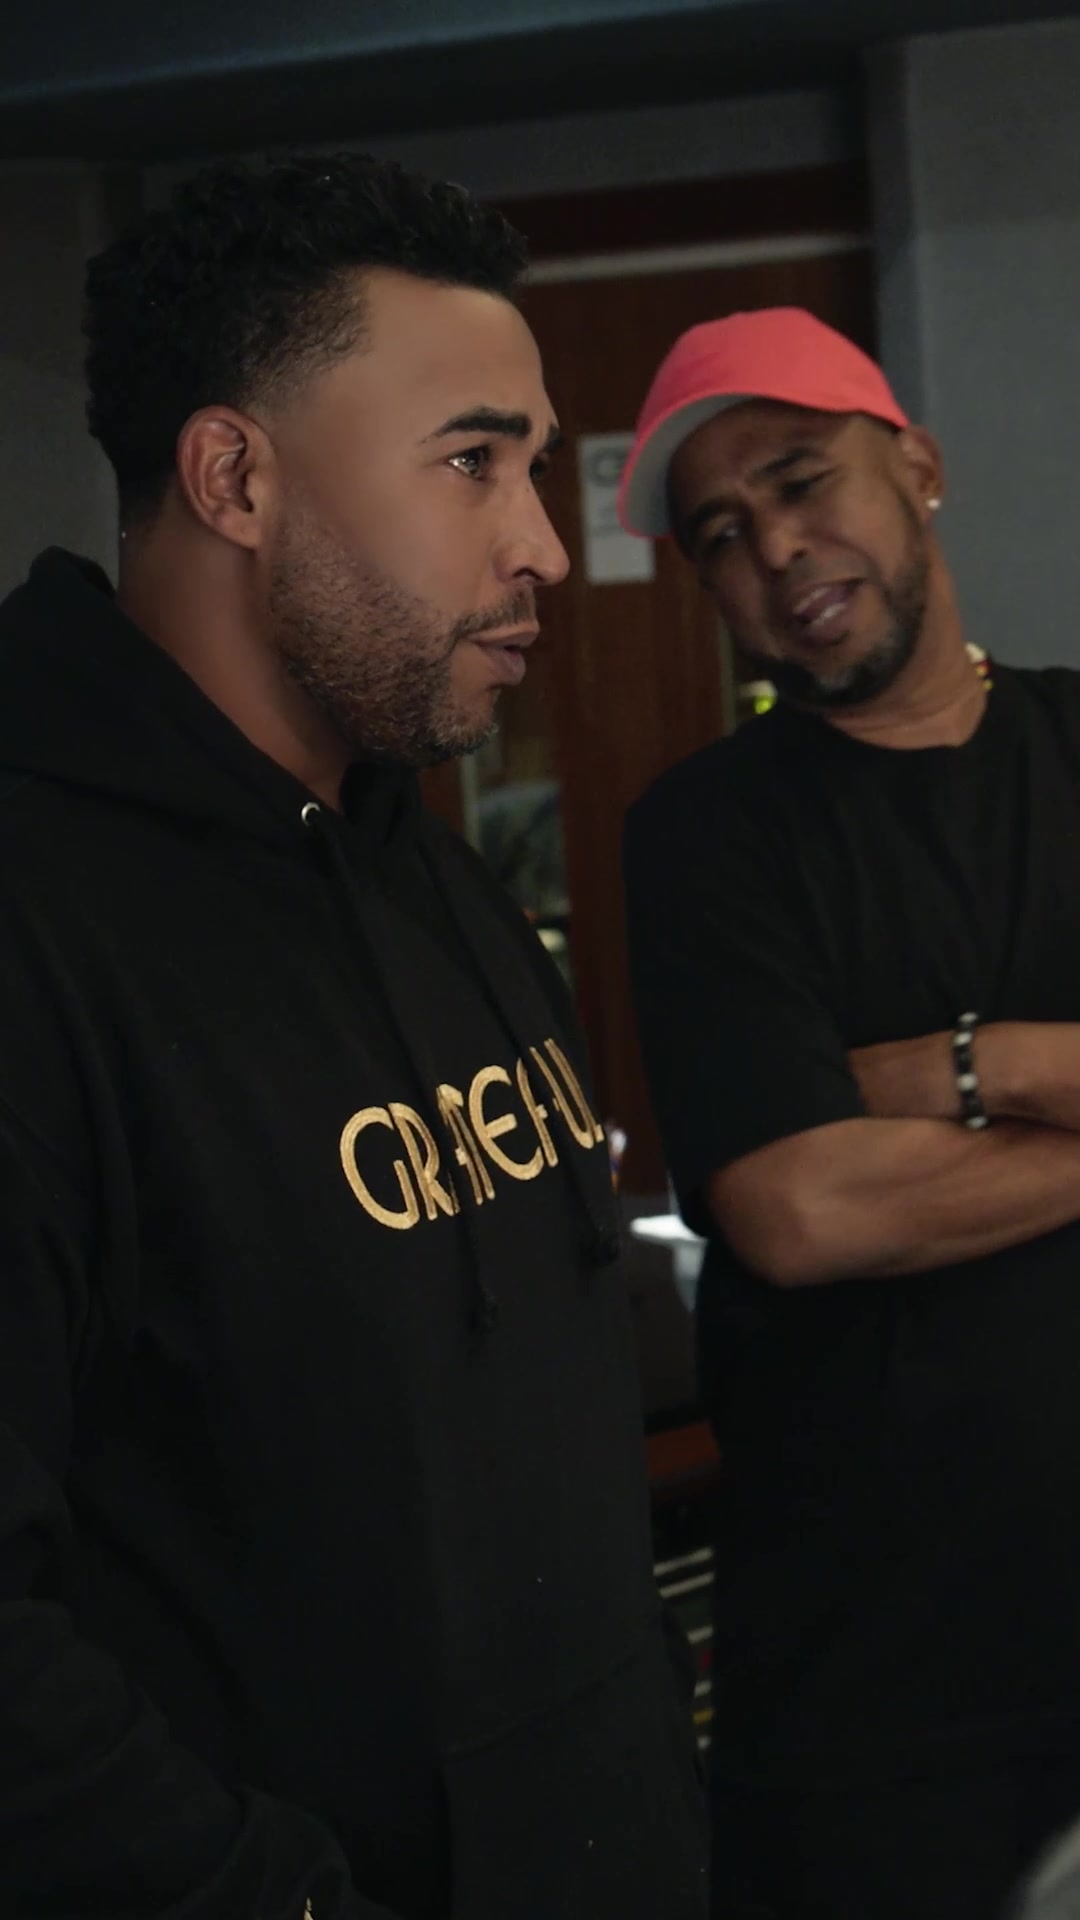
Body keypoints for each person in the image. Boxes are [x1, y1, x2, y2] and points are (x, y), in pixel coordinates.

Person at [0, 153, 707, 1920]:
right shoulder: (39, 919)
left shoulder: (421, 859)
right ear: (233, 477)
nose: (543, 544)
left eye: (534, 467)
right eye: (474, 461)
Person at [618, 306, 1080, 1920]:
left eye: (803, 480)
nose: (773, 551)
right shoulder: (706, 838)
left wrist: (969, 1066)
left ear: (920, 467)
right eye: (719, 534)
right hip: (879, 1687)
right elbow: (802, 1211)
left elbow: (859, 1172)